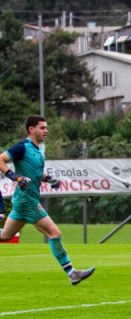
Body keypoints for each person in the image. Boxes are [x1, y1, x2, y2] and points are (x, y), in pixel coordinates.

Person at [0, 115, 95, 285]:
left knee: (5, 236)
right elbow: (1, 159)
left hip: (24, 200)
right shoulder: (22, 147)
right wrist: (15, 177)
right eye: (42, 127)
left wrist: (50, 179)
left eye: (46, 127)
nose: (46, 131)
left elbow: (36, 173)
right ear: (31, 129)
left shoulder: (38, 151)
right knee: (55, 233)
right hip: (27, 201)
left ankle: (72, 273)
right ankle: (72, 273)